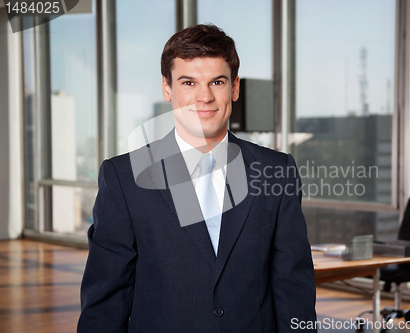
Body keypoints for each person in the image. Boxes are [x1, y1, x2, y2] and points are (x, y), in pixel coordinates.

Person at [77, 24, 316, 333]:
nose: (204, 97)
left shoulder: (277, 170)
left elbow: (293, 287)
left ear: (234, 88)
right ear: (167, 88)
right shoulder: (124, 177)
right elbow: (106, 298)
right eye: (188, 82)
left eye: (217, 81)